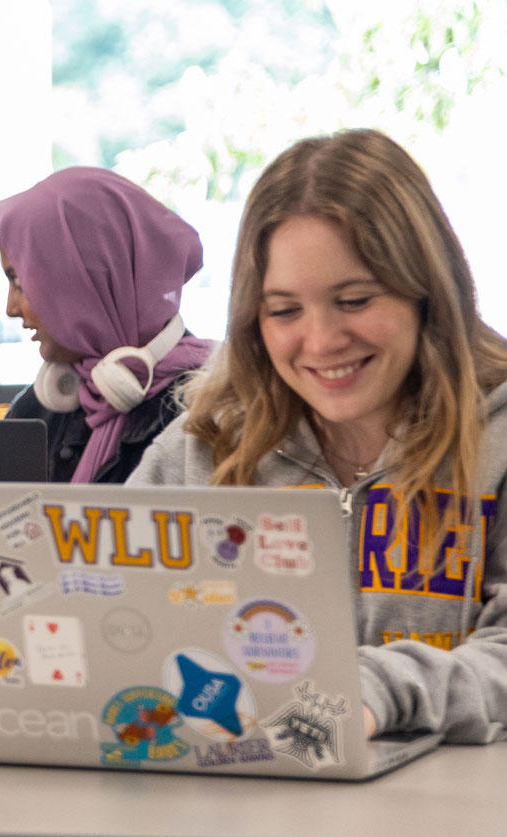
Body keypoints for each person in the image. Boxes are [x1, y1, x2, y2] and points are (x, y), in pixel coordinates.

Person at [129, 129, 507, 743]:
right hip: (241, 798)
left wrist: (376, 692)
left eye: (354, 300)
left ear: (427, 294)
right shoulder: (203, 443)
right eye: (283, 311)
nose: (322, 340)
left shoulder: (499, 438)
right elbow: (113, 615)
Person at [0, 166, 210, 483]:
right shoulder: (33, 414)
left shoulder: (211, 413)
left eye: (21, 282)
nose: (10, 309)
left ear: (84, 277)